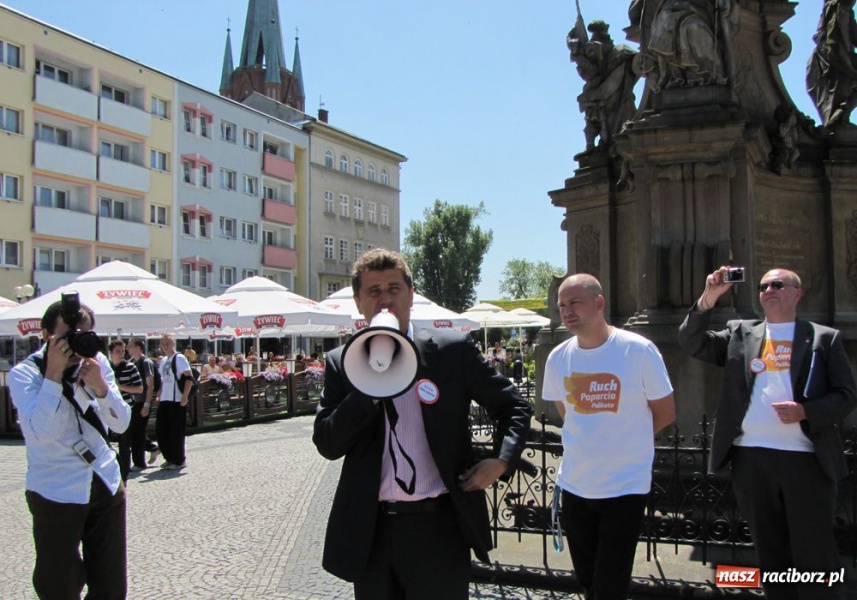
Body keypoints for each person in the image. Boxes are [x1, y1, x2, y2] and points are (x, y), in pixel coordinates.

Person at [313, 248, 532, 599]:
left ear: (411, 293)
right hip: (372, 531)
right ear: (358, 302)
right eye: (373, 292)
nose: (385, 300)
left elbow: (513, 405)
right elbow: (327, 443)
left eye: (394, 289)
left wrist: (501, 460)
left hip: (438, 525)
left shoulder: (450, 351)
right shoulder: (343, 363)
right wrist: (369, 386)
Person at [678, 267, 857, 599]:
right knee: (770, 552)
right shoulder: (740, 334)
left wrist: (806, 411)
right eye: (763, 286)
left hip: (806, 460)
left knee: (815, 553)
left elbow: (846, 395)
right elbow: (691, 342)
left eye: (778, 284)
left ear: (797, 293)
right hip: (752, 458)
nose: (769, 289)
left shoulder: (822, 338)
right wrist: (709, 298)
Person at [542, 274, 675, 600]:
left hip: (624, 488)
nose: (567, 312)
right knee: (588, 581)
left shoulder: (638, 351)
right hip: (575, 485)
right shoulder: (558, 357)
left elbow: (666, 412)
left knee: (609, 586)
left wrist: (625, 438)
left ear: (599, 303)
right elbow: (567, 413)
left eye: (575, 303)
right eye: (562, 306)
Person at [8, 298, 131, 599]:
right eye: (67, 336)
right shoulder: (25, 375)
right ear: (46, 335)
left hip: (104, 480)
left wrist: (101, 388)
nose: (76, 344)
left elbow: (121, 423)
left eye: (83, 335)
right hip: (56, 489)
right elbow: (42, 432)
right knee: (58, 584)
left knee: (110, 584)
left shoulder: (96, 363)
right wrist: (52, 375)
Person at [108, 338, 143, 484]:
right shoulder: (106, 367)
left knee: (124, 444)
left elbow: (139, 389)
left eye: (123, 351)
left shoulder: (130, 367)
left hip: (125, 408)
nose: (121, 354)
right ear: (110, 352)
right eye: (118, 351)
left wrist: (120, 387)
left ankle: (124, 476)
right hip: (107, 410)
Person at [156, 334, 192, 470]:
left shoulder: (179, 358)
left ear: (173, 344)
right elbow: (162, 380)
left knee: (176, 432)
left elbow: (189, 377)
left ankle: (179, 459)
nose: (165, 346)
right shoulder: (164, 360)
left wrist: (185, 396)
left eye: (168, 343)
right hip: (165, 399)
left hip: (176, 399)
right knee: (162, 431)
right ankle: (169, 457)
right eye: (163, 344)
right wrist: (159, 395)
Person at [127, 337, 160, 470]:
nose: (128, 349)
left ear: (138, 348)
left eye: (130, 346)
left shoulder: (145, 362)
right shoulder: (132, 362)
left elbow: (150, 384)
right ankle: (152, 448)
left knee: (137, 431)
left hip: (143, 402)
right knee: (135, 431)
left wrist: (147, 404)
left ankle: (140, 463)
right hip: (136, 401)